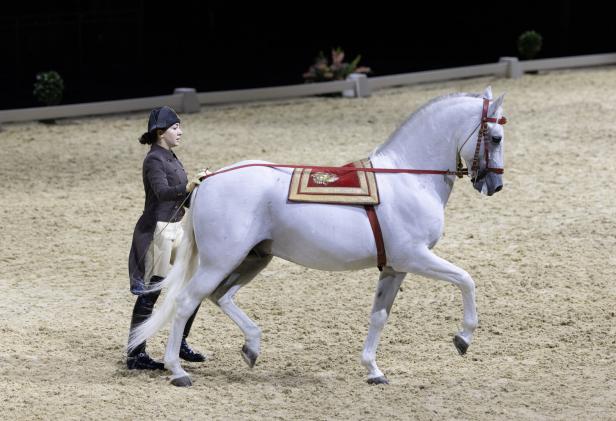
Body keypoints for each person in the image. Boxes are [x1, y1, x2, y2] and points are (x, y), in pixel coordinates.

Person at [126, 106, 206, 370]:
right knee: (150, 294)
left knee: (193, 286)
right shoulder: (154, 160)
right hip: (157, 232)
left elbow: (183, 195)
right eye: (175, 128)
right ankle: (135, 354)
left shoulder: (171, 157)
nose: (180, 132)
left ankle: (180, 341)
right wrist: (188, 186)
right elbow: (162, 192)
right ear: (161, 132)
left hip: (175, 229)